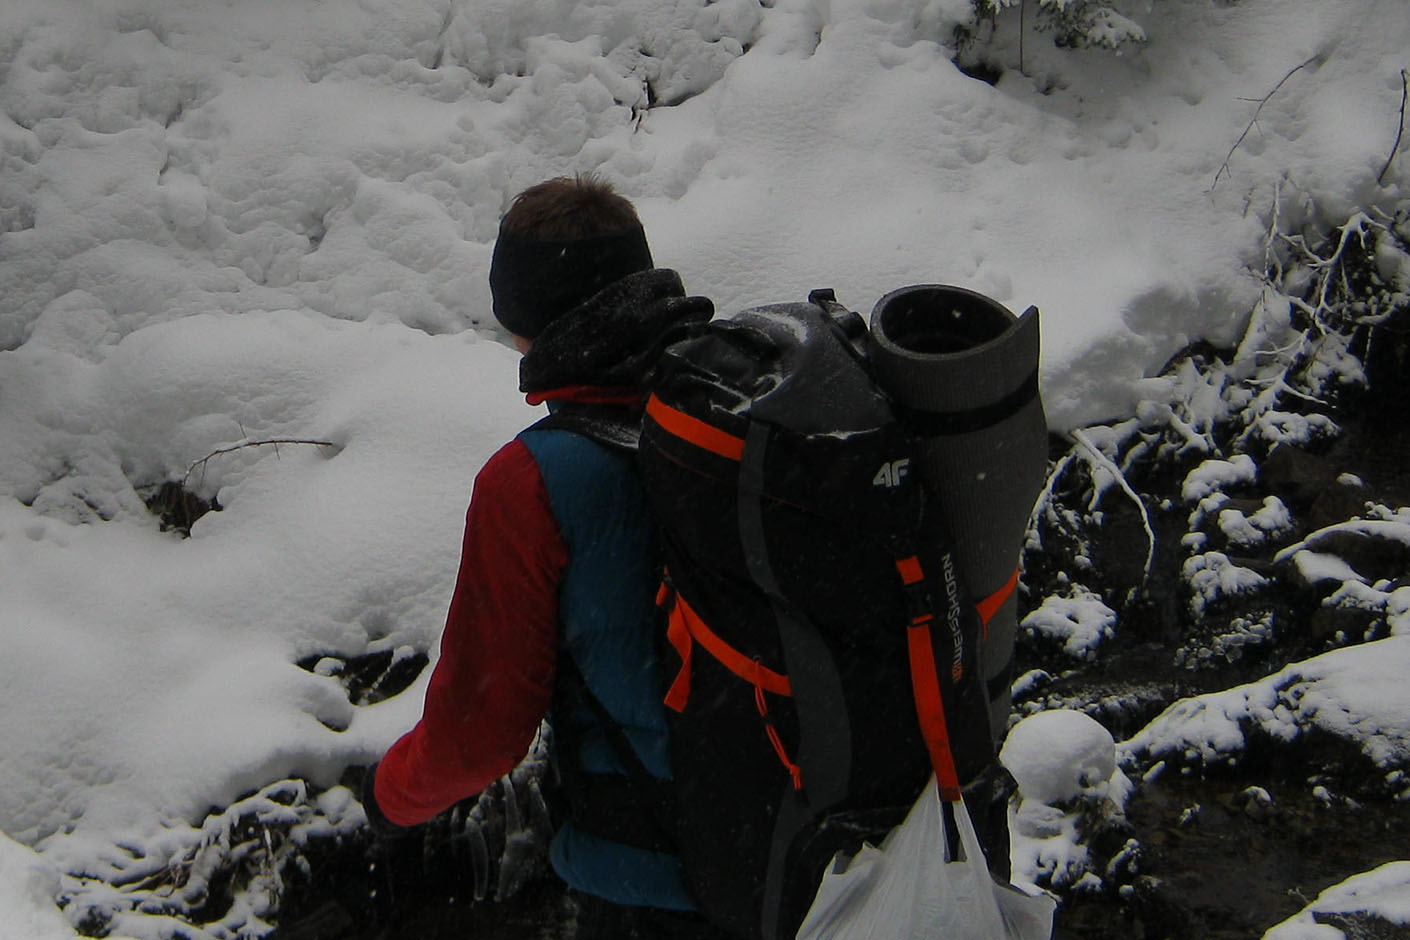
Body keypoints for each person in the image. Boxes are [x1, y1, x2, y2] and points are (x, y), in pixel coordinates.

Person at [360, 174, 721, 939]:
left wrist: (389, 798)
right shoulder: (740, 409)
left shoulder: (534, 480)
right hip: (840, 854)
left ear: (522, 321)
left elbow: (480, 738)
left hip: (662, 883)